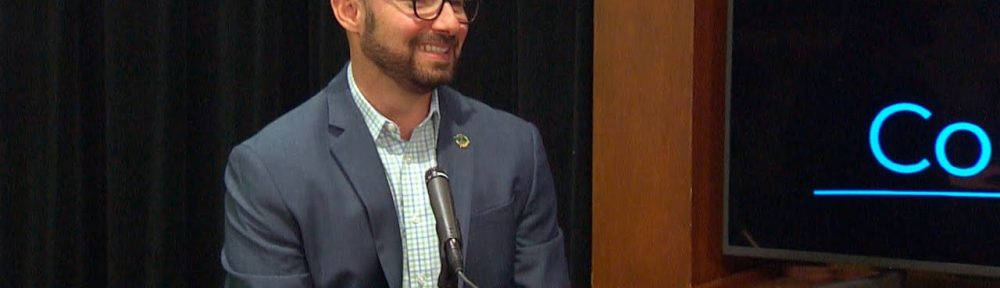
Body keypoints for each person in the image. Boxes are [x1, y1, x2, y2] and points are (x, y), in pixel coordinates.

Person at [219, 0, 569, 286]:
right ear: (349, 10)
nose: (450, 22)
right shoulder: (271, 171)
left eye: (459, 3)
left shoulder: (515, 148)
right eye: (422, 3)